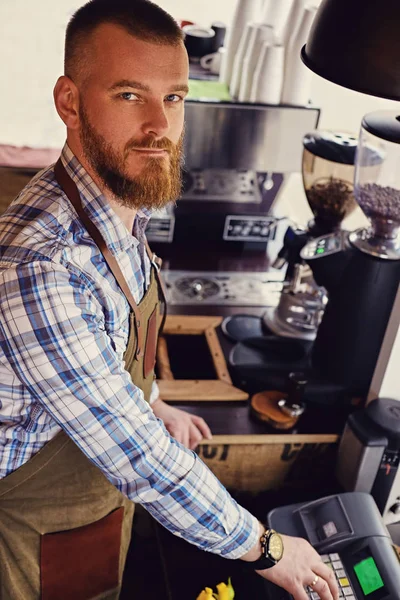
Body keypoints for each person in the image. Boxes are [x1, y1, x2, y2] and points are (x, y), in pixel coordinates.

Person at [0, 1, 339, 599]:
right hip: (38, 528)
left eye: (174, 98)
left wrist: (151, 399)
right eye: (130, 96)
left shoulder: (115, 200)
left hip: (98, 507)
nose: (160, 124)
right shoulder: (41, 268)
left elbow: (114, 341)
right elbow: (138, 457)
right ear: (70, 103)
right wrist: (268, 548)